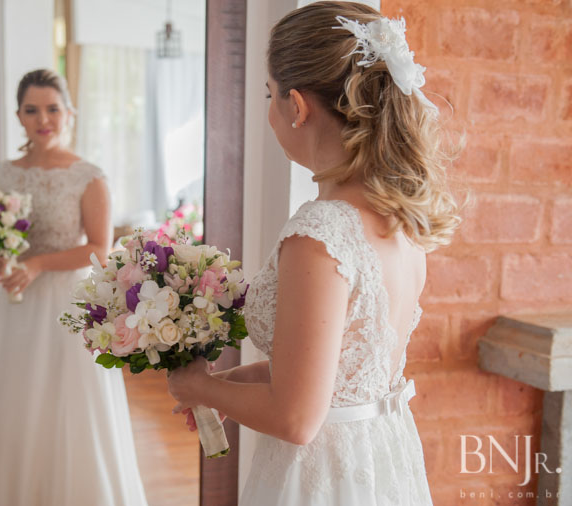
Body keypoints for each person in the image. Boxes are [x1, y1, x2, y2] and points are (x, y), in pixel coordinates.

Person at [167, 2, 460, 504]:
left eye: (270, 94)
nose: (270, 110)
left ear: (297, 106)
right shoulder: (402, 218)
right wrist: (232, 384)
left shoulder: (320, 234)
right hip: (379, 458)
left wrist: (200, 388)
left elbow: (297, 419)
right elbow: (337, 373)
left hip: (320, 474)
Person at [0, 69, 148, 506]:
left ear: (70, 113)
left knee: (69, 404)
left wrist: (37, 264)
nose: (43, 119)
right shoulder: (2, 174)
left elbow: (99, 249)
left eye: (52, 109)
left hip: (68, 304)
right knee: (11, 398)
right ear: (18, 116)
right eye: (32, 110)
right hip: (16, 305)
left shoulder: (89, 176)